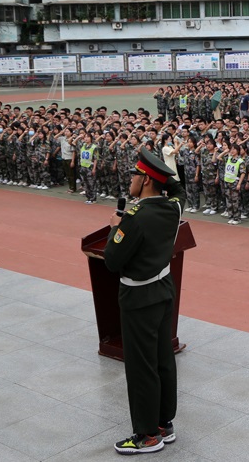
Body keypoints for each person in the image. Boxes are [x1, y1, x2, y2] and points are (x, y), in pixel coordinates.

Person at [104, 147, 183, 455]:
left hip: (138, 297)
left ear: (147, 180)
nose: (131, 179)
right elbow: (178, 189)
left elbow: (112, 259)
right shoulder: (171, 208)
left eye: (136, 174)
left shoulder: (134, 217)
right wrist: (167, 163)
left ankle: (147, 436)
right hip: (163, 290)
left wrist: (114, 229)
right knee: (163, 359)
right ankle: (164, 423)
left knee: (141, 367)